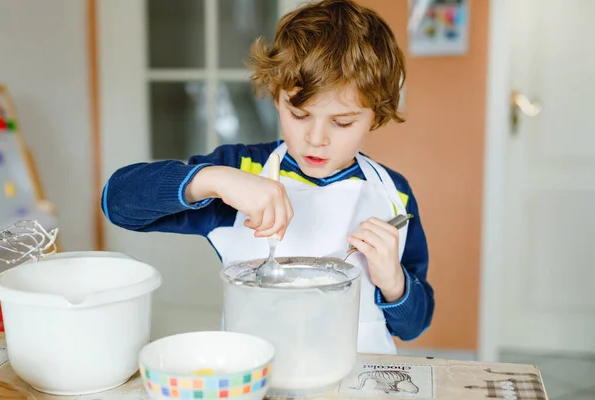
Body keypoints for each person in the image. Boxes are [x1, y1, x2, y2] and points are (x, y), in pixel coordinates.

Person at [102, 0, 433, 354]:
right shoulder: (241, 169)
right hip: (259, 384)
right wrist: (215, 180)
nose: (316, 138)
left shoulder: (392, 195)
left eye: (342, 122)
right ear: (277, 98)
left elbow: (414, 326)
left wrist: (395, 283)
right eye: (299, 114)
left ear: (376, 115)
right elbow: (117, 201)